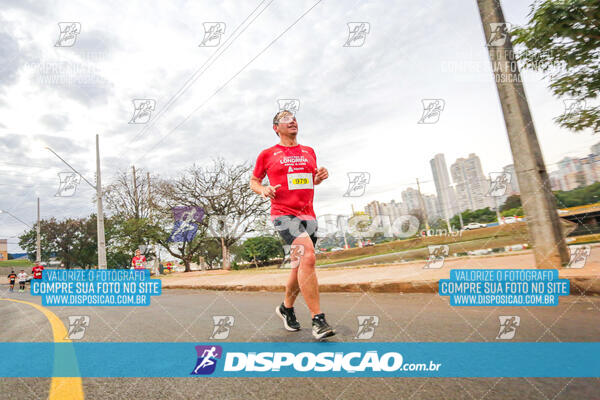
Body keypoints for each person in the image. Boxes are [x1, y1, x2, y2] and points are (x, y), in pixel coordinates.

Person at [250, 109, 335, 340]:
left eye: (294, 118)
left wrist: (319, 177)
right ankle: (318, 320)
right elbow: (254, 181)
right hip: (283, 215)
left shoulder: (309, 152)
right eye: (285, 119)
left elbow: (309, 180)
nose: (292, 121)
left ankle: (286, 308)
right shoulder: (268, 154)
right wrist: (264, 189)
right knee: (308, 256)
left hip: (308, 215)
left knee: (299, 267)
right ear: (276, 128)